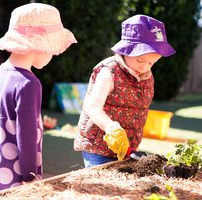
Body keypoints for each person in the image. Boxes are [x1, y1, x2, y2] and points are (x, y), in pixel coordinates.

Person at [0, 3, 76, 195]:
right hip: (16, 174)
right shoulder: (29, 84)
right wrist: (30, 177)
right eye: (52, 51)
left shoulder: (0, 72)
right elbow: (27, 135)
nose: (52, 56)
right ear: (39, 47)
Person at [74, 14, 175, 168]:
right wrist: (110, 127)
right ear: (126, 50)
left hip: (127, 146)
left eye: (151, 63)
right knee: (101, 183)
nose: (145, 67)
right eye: (140, 60)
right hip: (98, 145)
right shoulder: (109, 72)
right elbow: (92, 107)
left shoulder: (146, 75)